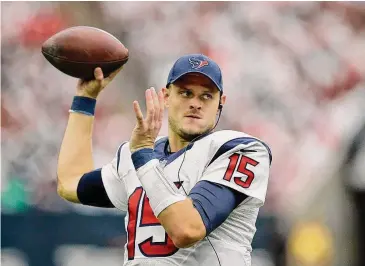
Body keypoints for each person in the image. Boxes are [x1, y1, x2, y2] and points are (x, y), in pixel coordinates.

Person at [57, 54, 272, 266]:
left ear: (220, 103)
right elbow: (70, 183)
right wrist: (85, 99)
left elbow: (187, 230)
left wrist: (143, 155)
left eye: (206, 96)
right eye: (186, 93)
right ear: (166, 96)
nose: (195, 104)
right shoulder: (134, 156)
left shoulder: (239, 149)